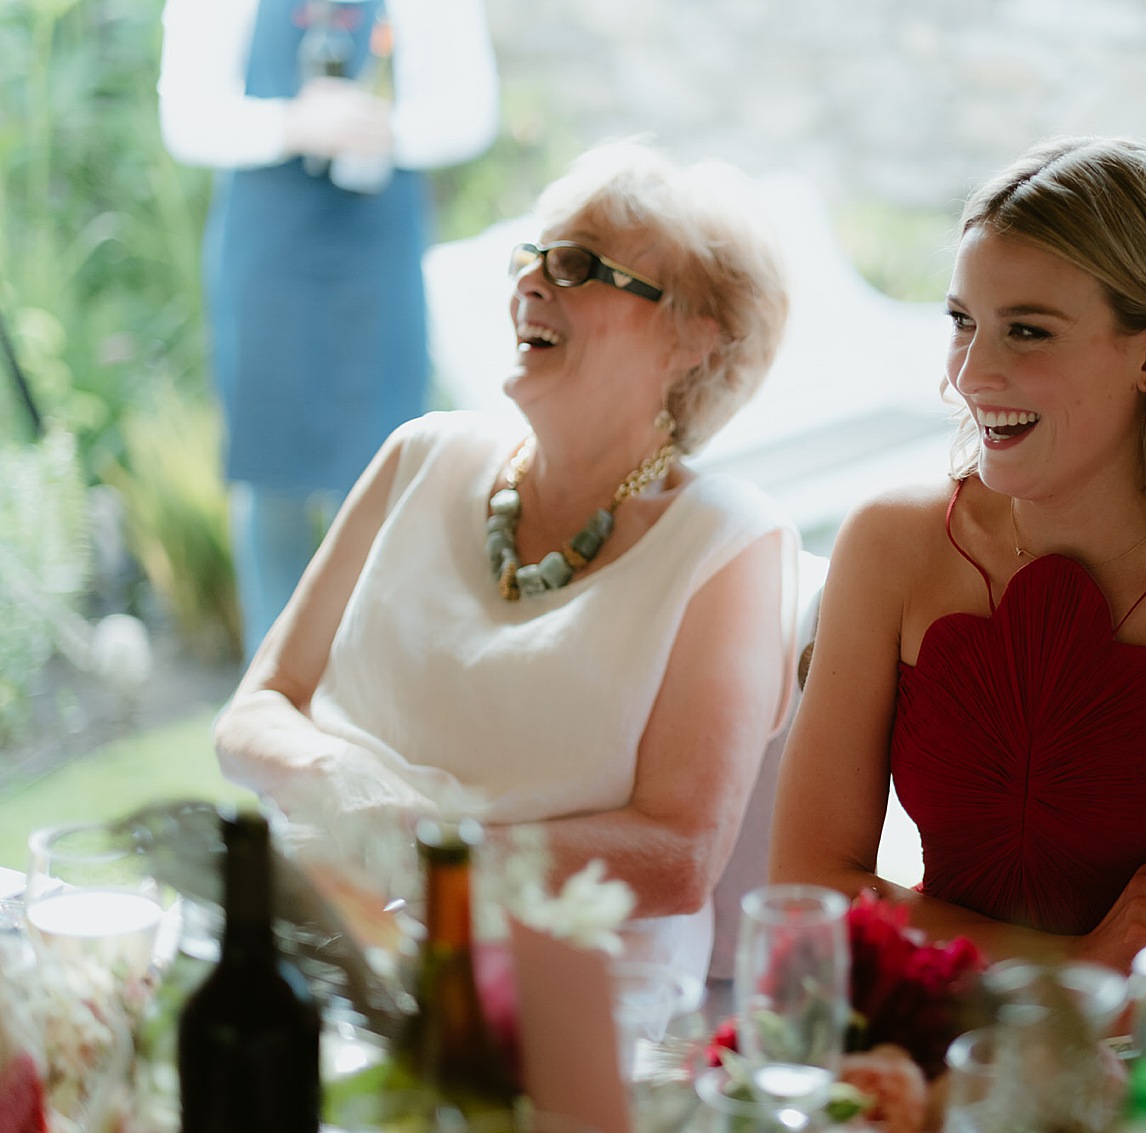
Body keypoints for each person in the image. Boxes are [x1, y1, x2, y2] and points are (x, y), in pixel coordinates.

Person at [770, 136, 1146, 1129]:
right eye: (961, 322)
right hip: (931, 1064)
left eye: (1027, 331)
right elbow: (807, 903)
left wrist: (935, 939)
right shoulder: (892, 541)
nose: (970, 371)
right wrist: (1076, 961)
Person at [214, 140, 797, 984]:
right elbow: (253, 712)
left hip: (558, 994)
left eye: (574, 264)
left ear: (691, 340)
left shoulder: (728, 542)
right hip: (315, 938)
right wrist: (341, 780)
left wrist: (435, 853)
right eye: (531, 256)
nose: (530, 282)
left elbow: (680, 856)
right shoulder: (422, 455)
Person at [158, 0, 501, 660]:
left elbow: (471, 111)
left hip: (379, 243)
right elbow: (186, 118)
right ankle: (272, 695)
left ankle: (389, 694)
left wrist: (385, 128)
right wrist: (292, 124)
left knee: (388, 468)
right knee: (268, 472)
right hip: (268, 250)